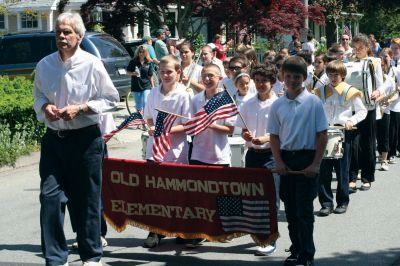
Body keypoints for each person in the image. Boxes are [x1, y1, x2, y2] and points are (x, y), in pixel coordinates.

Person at [33, 12, 119, 266]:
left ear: (79, 37)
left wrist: (82, 108)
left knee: (87, 199)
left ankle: (91, 256)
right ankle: (55, 257)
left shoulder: (92, 64)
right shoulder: (44, 65)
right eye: (58, 31)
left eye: (68, 32)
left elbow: (111, 99)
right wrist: (45, 106)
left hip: (85, 140)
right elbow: (38, 95)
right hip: (54, 140)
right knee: (50, 197)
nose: (61, 36)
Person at [267, 56, 328, 266]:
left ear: (304, 78)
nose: (293, 80)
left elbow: (322, 135)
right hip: (286, 159)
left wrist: (315, 164)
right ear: (283, 77)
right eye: (289, 76)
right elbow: (273, 136)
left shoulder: (313, 102)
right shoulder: (277, 105)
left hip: (307, 158)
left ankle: (307, 253)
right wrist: (279, 162)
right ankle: (295, 248)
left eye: (297, 76)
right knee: (291, 210)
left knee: (304, 211)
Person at [143, 55, 191, 248]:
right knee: (155, 192)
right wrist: (152, 128)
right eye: (162, 71)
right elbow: (148, 118)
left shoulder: (184, 95)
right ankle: (156, 230)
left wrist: (166, 130)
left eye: (169, 71)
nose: (165, 75)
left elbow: (187, 125)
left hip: (176, 150)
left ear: (178, 73)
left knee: (177, 191)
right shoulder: (153, 93)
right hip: (154, 149)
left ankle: (181, 229)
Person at [187, 63, 236, 248]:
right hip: (199, 152)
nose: (208, 79)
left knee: (222, 195)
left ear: (220, 78)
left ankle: (226, 229)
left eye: (212, 76)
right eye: (205, 76)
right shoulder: (195, 99)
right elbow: (191, 125)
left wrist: (209, 124)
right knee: (200, 196)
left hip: (219, 154)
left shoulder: (225, 99)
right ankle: (201, 231)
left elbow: (230, 130)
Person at [314, 60, 367, 216]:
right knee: (323, 171)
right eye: (330, 74)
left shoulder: (350, 91)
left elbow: (362, 111)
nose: (333, 77)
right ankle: (326, 203)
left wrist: (351, 121)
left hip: (343, 133)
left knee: (342, 170)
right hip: (324, 134)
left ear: (343, 75)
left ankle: (343, 202)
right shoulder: (320, 91)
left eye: (336, 74)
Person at [236, 64, 279, 256]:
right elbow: (242, 127)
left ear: (272, 83)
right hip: (252, 155)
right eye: (258, 81)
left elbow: (283, 132)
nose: (261, 84)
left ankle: (269, 238)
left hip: (271, 155)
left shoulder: (279, 104)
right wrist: (246, 135)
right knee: (254, 198)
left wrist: (267, 138)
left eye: (265, 81)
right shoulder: (247, 103)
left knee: (271, 198)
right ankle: (259, 235)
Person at [348, 33, 384, 192]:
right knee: (352, 144)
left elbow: (381, 85)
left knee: (368, 142)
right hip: (352, 108)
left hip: (368, 107)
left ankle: (367, 176)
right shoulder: (348, 62)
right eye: (354, 47)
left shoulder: (374, 62)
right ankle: (352, 176)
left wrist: (377, 92)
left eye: (360, 47)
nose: (356, 50)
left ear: (367, 47)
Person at [376, 48, 398, 169]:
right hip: (374, 110)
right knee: (376, 136)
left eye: (382, 65)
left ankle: (384, 160)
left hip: (386, 109)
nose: (381, 67)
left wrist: (388, 100)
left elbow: (395, 93)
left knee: (385, 135)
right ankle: (380, 154)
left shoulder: (389, 78)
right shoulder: (373, 79)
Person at [127, 45, 154, 114]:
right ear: (138, 52)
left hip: (146, 85)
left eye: (143, 52)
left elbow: (150, 76)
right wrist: (134, 73)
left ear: (146, 53)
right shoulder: (133, 61)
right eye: (140, 52)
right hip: (136, 85)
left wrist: (152, 86)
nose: (141, 53)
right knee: (139, 106)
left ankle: (146, 118)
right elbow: (128, 72)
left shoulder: (149, 62)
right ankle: (140, 119)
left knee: (145, 101)